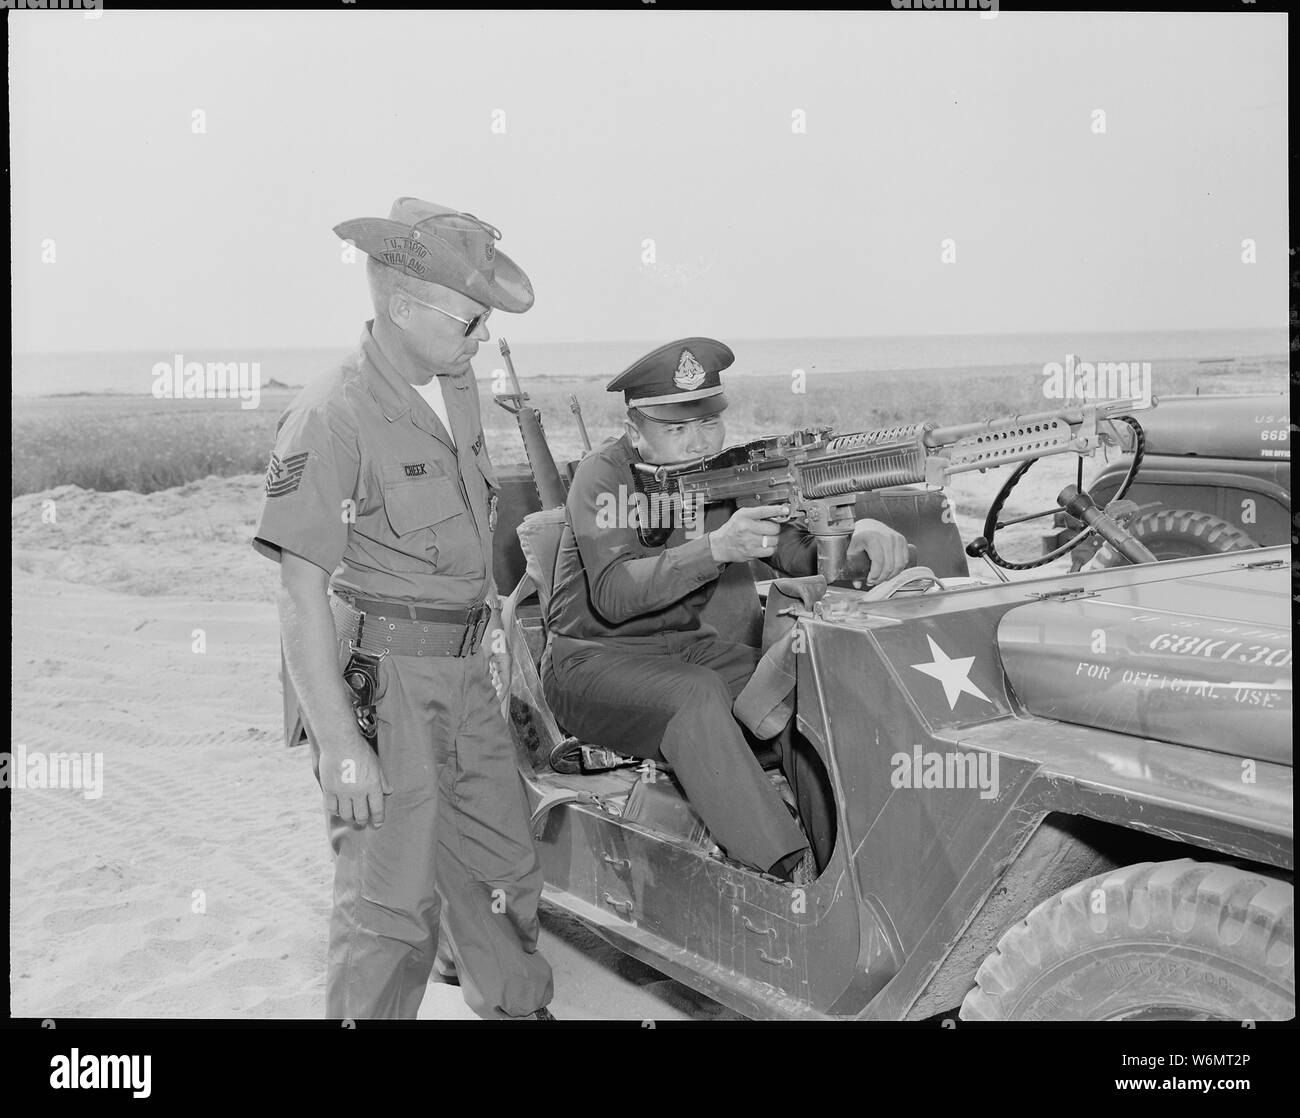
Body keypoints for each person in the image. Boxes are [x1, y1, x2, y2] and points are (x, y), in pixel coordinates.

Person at [253, 197, 553, 1020]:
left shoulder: (451, 384)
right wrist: (341, 743)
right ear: (403, 306)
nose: (482, 337)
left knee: (505, 873)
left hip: (466, 678)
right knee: (392, 908)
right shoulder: (330, 415)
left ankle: (519, 1009)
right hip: (385, 687)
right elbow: (298, 591)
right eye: (471, 319)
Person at [540, 338, 909, 882]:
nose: (698, 442)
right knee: (697, 695)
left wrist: (854, 535)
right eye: (677, 429)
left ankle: (843, 861)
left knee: (800, 683)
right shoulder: (605, 476)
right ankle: (783, 870)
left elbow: (796, 551)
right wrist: (717, 548)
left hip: (687, 652)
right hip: (590, 664)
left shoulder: (719, 474)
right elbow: (614, 594)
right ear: (636, 429)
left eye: (709, 423)